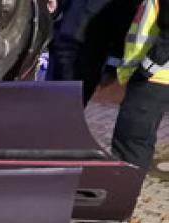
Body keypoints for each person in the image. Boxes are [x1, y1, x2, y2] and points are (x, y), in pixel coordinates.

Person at [47, 0, 142, 104]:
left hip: (88, 53)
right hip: (61, 42)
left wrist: (111, 66)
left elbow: (123, 25)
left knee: (69, 103)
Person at [112, 0, 169, 170]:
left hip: (153, 79)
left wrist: (148, 67)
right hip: (154, 78)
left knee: (131, 144)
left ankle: (122, 193)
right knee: (134, 141)